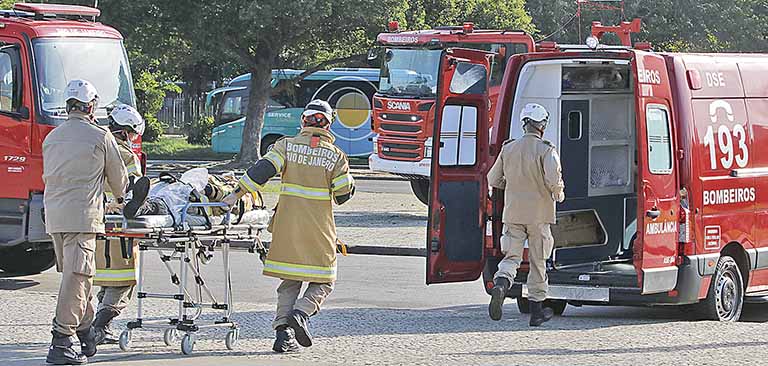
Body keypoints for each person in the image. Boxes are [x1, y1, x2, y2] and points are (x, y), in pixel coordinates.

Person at [222, 99, 355, 353]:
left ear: (303, 121)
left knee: (289, 282)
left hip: (286, 227)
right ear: (329, 124)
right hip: (319, 230)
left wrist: (233, 196)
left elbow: (261, 172)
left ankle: (283, 335)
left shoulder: (285, 146)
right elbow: (342, 195)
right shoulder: (336, 156)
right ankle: (302, 313)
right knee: (325, 280)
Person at [43, 80, 129, 364]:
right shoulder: (100, 136)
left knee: (76, 279)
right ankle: (61, 342)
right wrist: (120, 198)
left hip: (54, 217)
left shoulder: (52, 137)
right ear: (91, 106)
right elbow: (120, 181)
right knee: (78, 279)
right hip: (83, 217)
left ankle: (86, 333)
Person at [486, 103, 565, 327]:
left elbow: (493, 179)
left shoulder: (508, 148)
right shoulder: (546, 149)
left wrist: (510, 183)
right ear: (542, 125)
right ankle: (537, 312)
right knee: (537, 262)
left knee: (511, 258)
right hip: (539, 215)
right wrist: (559, 194)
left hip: (513, 213)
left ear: (524, 123)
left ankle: (501, 284)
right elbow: (553, 180)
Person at [92, 104, 146, 345]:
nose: (134, 139)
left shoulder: (95, 146)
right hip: (119, 226)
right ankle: (98, 327)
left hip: (95, 221)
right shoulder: (126, 154)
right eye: (133, 134)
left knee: (104, 277)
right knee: (122, 281)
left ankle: (102, 329)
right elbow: (135, 192)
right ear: (126, 132)